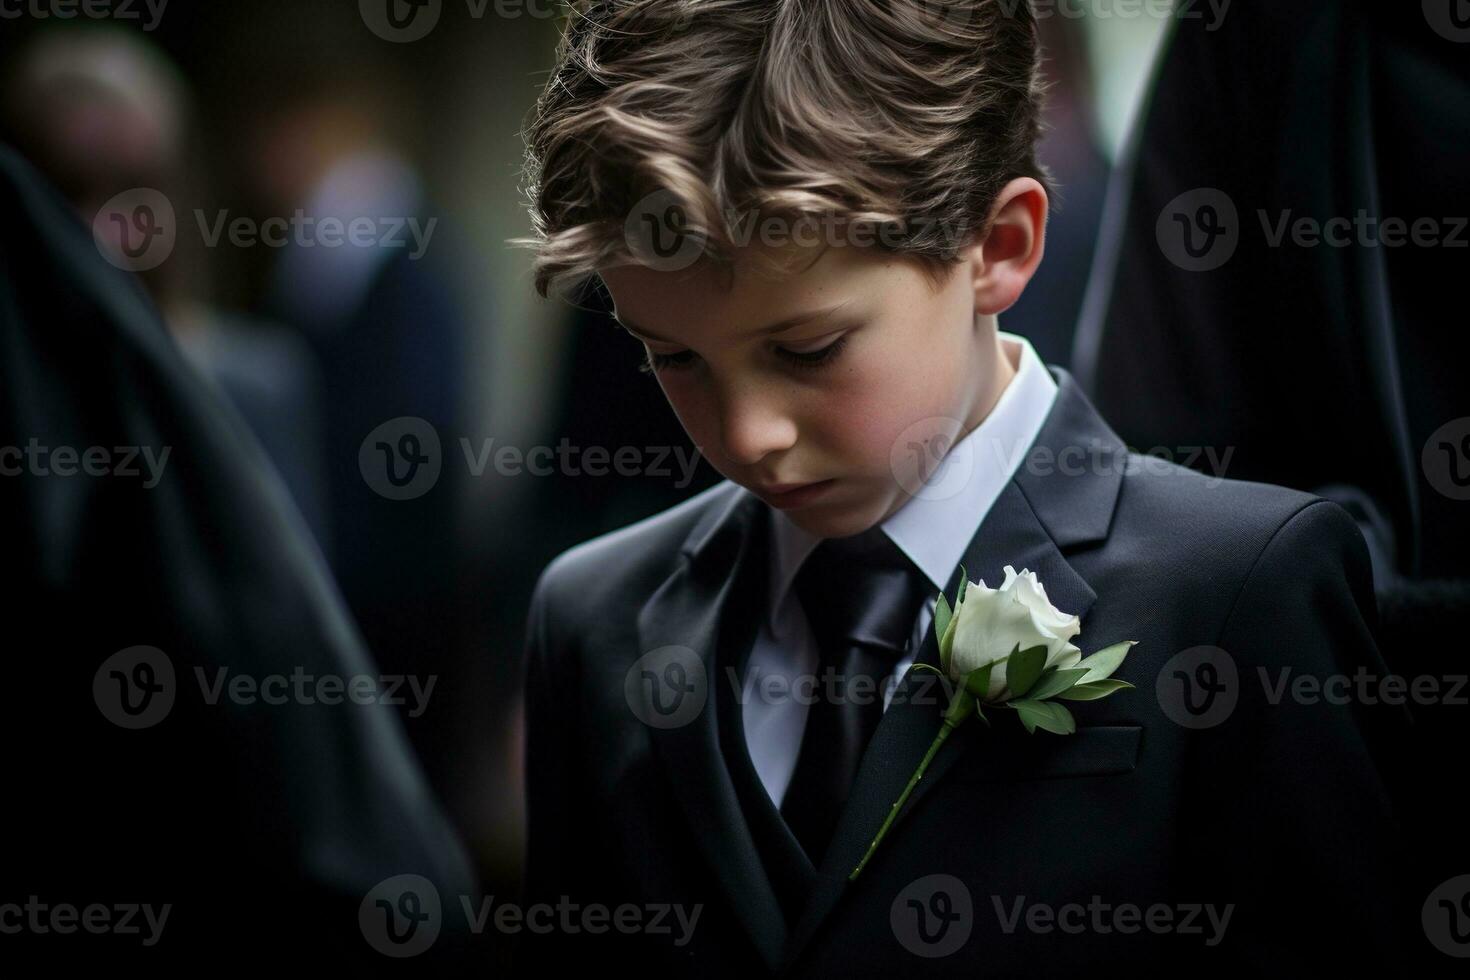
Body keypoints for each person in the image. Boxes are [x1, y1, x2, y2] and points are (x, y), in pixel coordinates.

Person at [513, 2, 1414, 974]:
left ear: (998, 245)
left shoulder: (1241, 592)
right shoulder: (592, 618)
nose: (746, 435)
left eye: (808, 348)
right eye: (674, 357)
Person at [0, 142, 476, 968]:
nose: (102, 230)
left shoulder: (255, 377)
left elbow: (297, 620)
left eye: (134, 191)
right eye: (65, 193)